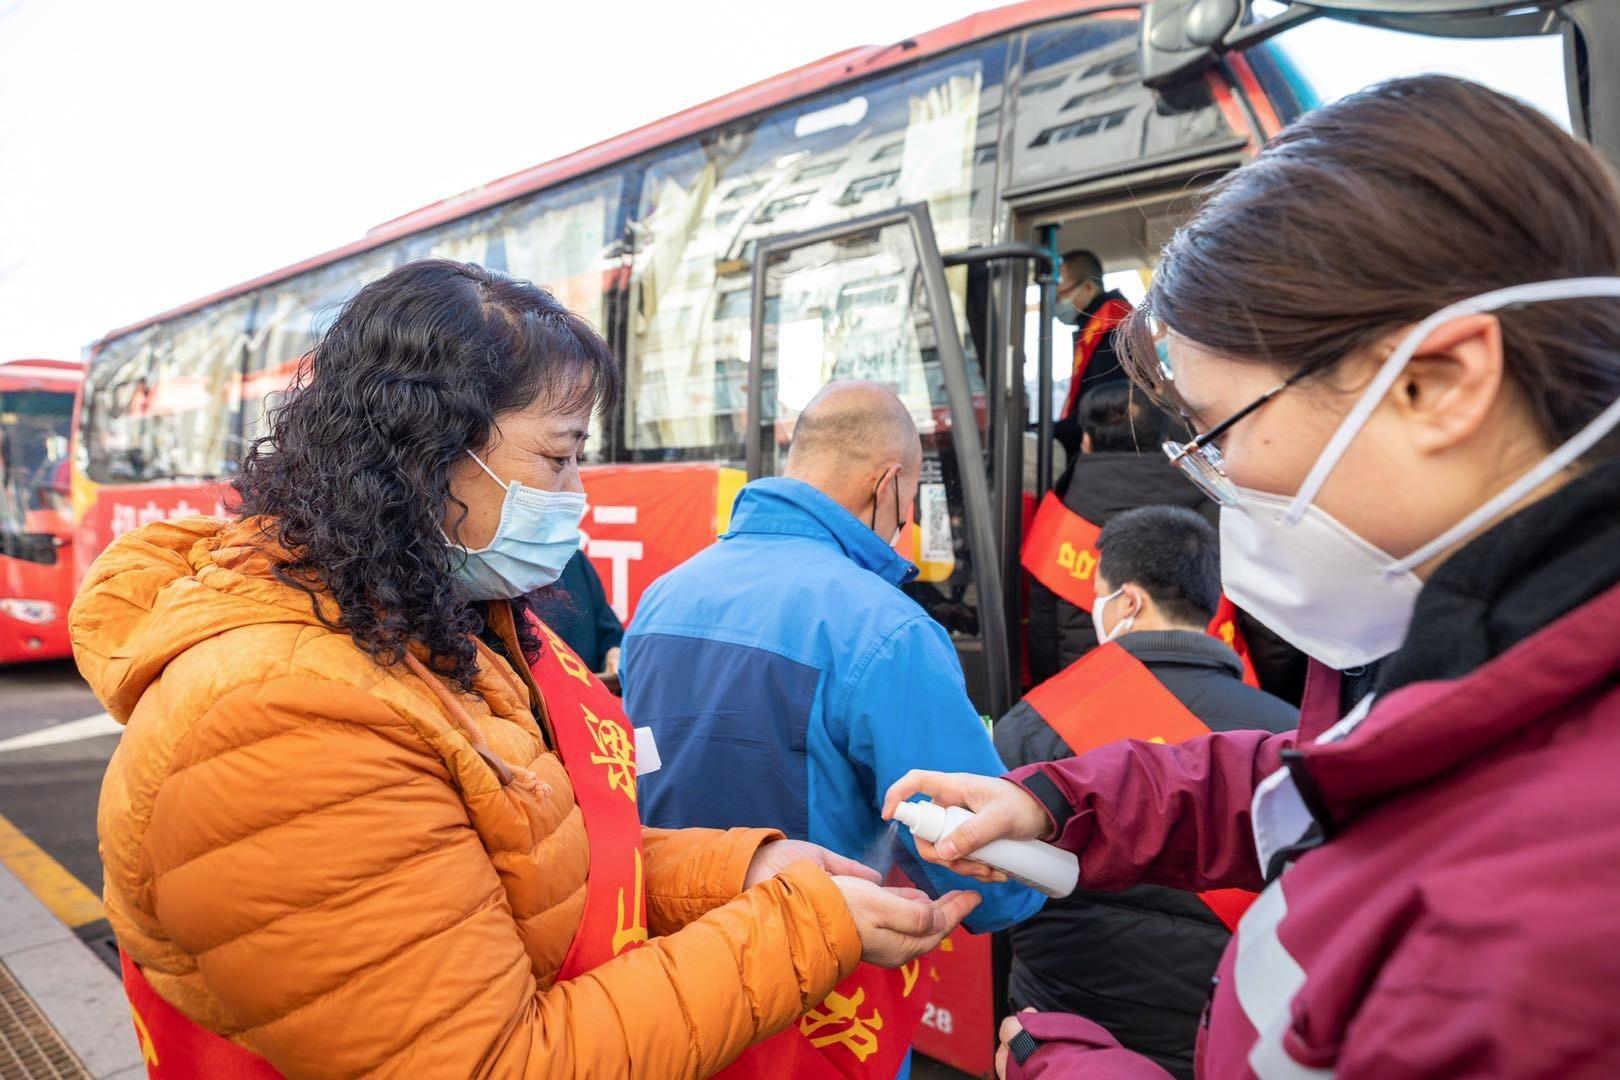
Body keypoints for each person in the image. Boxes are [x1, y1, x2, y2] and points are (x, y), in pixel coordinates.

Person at [73, 261, 976, 1078]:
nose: (576, 495)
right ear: (424, 452)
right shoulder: (281, 717)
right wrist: (806, 927)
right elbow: (492, 1061)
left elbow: (538, 870)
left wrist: (749, 871)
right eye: (558, 454)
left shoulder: (421, 629)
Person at [883, 76, 1620, 1079]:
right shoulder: (1458, 640)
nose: (1221, 485)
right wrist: (1060, 803)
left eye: (1221, 432)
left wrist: (1074, 1066)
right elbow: (1323, 782)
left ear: (1437, 386)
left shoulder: (1540, 928)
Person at [622, 381, 1043, 1070]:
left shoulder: (664, 594)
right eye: (909, 505)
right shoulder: (885, 626)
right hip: (818, 1009)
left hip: (674, 986)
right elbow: (991, 864)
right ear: (890, 485)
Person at [997, 506, 1296, 1079]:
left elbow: (1004, 893)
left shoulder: (1035, 720)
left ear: (1127, 602)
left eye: (1098, 593)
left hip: (1062, 1029)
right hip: (1222, 1031)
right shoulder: (1290, 735)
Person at [1050, 249, 1133, 466]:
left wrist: (1050, 432)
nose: (1056, 304)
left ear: (1088, 287)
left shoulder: (1111, 329)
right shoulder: (1095, 328)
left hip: (1112, 458)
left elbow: (1101, 410)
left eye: (1060, 295)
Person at [539, 548, 624, 686]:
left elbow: (609, 633)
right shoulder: (500, 580)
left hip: (588, 698)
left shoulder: (574, 560)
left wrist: (614, 654)